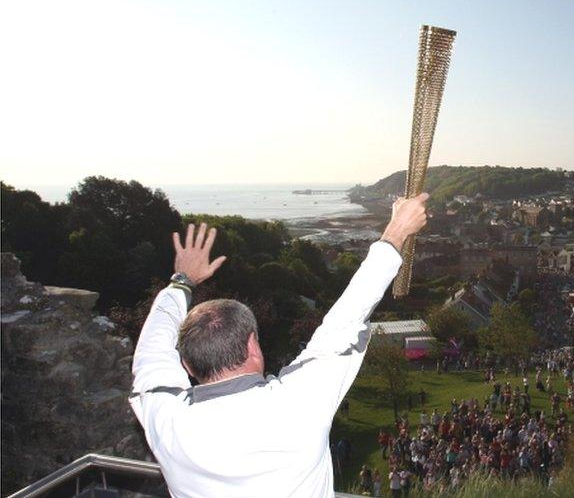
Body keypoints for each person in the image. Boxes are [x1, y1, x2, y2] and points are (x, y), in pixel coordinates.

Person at [128, 194, 430, 497]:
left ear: (187, 365)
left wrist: (181, 281)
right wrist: (396, 230)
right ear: (253, 346)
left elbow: (151, 353)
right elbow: (347, 318)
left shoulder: (165, 420)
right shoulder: (295, 404)